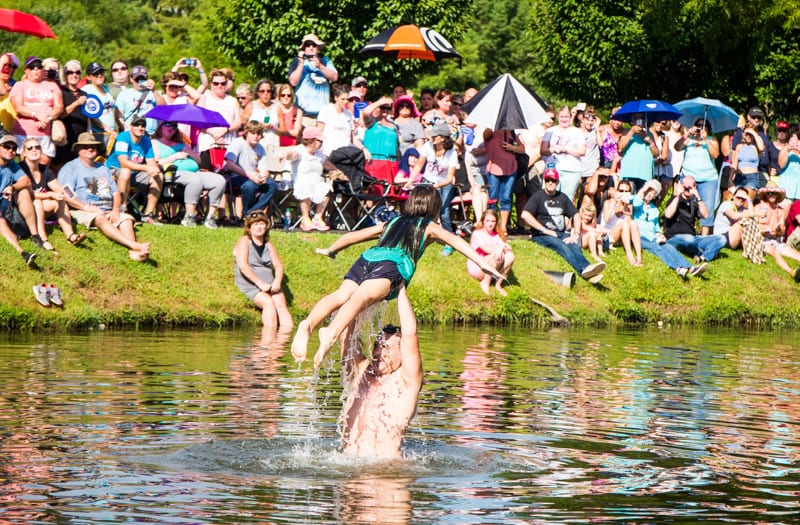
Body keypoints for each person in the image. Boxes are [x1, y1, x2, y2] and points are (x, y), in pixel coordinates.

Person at [291, 185, 504, 366]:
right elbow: (457, 242)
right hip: (391, 264)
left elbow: (354, 236)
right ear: (434, 207)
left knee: (341, 295)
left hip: (366, 258)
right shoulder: (429, 226)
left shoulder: (392, 222)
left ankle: (308, 324)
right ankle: (330, 334)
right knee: (360, 298)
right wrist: (483, 264)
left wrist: (331, 249)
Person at [339, 285, 422, 459]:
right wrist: (359, 294)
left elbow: (410, 334)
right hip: (348, 469)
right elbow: (347, 335)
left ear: (402, 353)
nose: (378, 352)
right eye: (377, 345)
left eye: (385, 347)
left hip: (387, 474)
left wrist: (400, 290)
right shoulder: (362, 371)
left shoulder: (406, 382)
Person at [57, 132, 150, 261]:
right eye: (85, 147)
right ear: (78, 149)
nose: (90, 149)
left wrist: (116, 209)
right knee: (100, 218)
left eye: (93, 147)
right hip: (84, 210)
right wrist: (86, 207)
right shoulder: (70, 168)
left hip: (108, 208)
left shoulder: (102, 167)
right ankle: (134, 245)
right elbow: (66, 193)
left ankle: (134, 253)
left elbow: (115, 192)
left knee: (126, 219)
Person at [519, 167, 606, 282]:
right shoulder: (538, 196)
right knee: (561, 246)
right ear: (545, 181)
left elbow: (576, 215)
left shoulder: (562, 197)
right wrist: (544, 230)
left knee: (573, 244)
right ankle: (582, 270)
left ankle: (588, 268)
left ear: (557, 182)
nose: (550, 183)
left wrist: (576, 233)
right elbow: (525, 214)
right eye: (548, 180)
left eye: (553, 180)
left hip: (560, 233)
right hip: (542, 235)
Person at [151, 121, 226, 228]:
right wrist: (175, 156)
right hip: (172, 173)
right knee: (194, 179)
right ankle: (189, 216)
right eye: (168, 124)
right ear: (160, 127)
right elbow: (156, 162)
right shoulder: (155, 142)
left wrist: (189, 151)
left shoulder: (180, 144)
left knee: (219, 180)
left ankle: (210, 217)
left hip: (194, 172)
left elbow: (199, 161)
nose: (171, 128)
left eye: (174, 126)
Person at [19, 138, 86, 251]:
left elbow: (59, 188)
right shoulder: (20, 169)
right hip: (23, 208)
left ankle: (71, 236)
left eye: (37, 147)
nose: (34, 150)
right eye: (30, 148)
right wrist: (49, 195)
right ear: (24, 153)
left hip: (42, 206)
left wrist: (68, 196)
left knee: (61, 200)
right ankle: (42, 239)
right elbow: (26, 194)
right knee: (37, 202)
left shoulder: (45, 169)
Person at [631, 179, 707, 278]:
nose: (649, 194)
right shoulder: (636, 201)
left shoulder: (654, 209)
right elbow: (636, 203)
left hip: (653, 237)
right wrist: (644, 189)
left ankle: (691, 268)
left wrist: (659, 234)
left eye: (652, 192)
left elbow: (656, 226)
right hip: (640, 237)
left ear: (655, 195)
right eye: (648, 191)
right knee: (657, 249)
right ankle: (677, 268)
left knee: (668, 247)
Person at [233, 210, 293, 331]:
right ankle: (268, 341)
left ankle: (285, 341)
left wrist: (277, 282)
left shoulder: (268, 244)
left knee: (281, 304)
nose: (259, 227)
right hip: (251, 285)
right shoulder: (244, 241)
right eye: (255, 224)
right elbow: (243, 265)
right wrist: (259, 283)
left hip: (270, 285)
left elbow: (279, 266)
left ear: (266, 225)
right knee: (268, 302)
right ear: (249, 228)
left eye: (261, 224)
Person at [405, 123, 458, 253]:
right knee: (421, 209)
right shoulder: (427, 146)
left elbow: (450, 178)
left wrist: (439, 186)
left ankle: (449, 242)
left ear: (443, 138)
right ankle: (419, 237)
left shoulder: (452, 153)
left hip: (444, 184)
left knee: (444, 212)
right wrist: (409, 181)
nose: (432, 137)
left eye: (435, 135)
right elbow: (419, 165)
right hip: (428, 181)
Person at [105, 115, 164, 223]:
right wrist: (146, 167)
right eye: (137, 125)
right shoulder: (123, 137)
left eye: (143, 125)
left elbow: (151, 161)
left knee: (158, 176)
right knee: (125, 171)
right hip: (114, 170)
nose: (140, 128)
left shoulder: (146, 140)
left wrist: (155, 169)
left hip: (135, 171)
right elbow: (123, 163)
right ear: (131, 126)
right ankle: (122, 208)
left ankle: (148, 214)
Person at [9, 56, 64, 166]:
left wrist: (47, 118)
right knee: (27, 167)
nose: (36, 69)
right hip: (25, 133)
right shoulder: (20, 85)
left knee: (44, 166)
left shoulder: (52, 85)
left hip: (46, 132)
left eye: (39, 67)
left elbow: (59, 107)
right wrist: (37, 115)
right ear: (26, 70)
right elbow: (18, 107)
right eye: (32, 67)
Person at [663, 175, 727, 264]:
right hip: (675, 238)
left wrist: (698, 197)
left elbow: (705, 215)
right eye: (685, 187)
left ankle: (703, 257)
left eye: (690, 187)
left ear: (695, 187)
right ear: (681, 186)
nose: (687, 189)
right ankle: (700, 251)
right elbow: (668, 214)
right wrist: (677, 195)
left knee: (721, 239)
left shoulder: (694, 204)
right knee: (688, 240)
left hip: (693, 238)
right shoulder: (674, 199)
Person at [281, 127, 334, 231]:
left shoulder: (319, 154)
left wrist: (340, 171)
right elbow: (292, 155)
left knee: (326, 188)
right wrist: (285, 155)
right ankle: (305, 219)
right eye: (319, 140)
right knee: (306, 186)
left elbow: (328, 165)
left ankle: (318, 217)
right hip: (298, 180)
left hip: (315, 181)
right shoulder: (299, 150)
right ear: (311, 140)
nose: (321, 142)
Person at [674, 119, 720, 234]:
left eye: (703, 126)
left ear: (708, 129)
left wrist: (705, 139)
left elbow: (715, 154)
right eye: (697, 125)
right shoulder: (689, 139)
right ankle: (683, 230)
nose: (700, 128)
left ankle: (704, 237)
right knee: (684, 205)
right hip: (688, 177)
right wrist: (687, 136)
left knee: (707, 207)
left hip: (708, 179)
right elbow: (677, 147)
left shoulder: (711, 139)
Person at [224, 120, 277, 219]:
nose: (256, 136)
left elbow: (263, 168)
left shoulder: (260, 148)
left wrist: (263, 175)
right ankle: (250, 213)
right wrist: (250, 175)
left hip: (252, 177)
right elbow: (230, 165)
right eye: (253, 133)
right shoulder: (237, 143)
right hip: (234, 176)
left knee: (272, 184)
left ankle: (250, 214)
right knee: (250, 185)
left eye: (259, 134)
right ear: (246, 133)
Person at [0, 135, 38, 265]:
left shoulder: (12, 165)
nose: (10, 150)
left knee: (24, 192)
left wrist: (12, 187)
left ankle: (36, 236)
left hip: (7, 206)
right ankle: (22, 252)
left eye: (13, 148)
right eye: (6, 147)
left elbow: (26, 181)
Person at [754, 183, 800, 280]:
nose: (772, 195)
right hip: (762, 240)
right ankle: (792, 272)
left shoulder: (780, 211)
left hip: (776, 241)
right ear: (766, 194)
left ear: (778, 194)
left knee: (796, 254)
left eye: (774, 193)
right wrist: (767, 230)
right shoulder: (758, 208)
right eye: (769, 193)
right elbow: (754, 227)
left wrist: (779, 230)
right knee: (775, 252)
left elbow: (782, 232)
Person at [287, 33, 338, 122]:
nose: (311, 47)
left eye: (314, 45)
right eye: (308, 45)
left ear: (318, 47)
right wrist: (301, 63)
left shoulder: (325, 60)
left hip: (323, 116)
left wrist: (320, 67)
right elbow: (293, 82)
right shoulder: (297, 61)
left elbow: (335, 77)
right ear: (303, 48)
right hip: (303, 115)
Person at [198, 68, 242, 170]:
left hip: (228, 143)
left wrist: (226, 130)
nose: (219, 86)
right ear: (211, 84)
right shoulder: (204, 97)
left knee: (227, 178)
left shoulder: (232, 101)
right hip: (208, 142)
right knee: (207, 175)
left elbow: (238, 122)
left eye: (222, 83)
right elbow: (199, 120)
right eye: (216, 83)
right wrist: (215, 134)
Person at [483, 128, 523, 235]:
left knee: (506, 198)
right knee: (493, 199)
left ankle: (503, 226)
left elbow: (522, 149)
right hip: (494, 168)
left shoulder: (513, 133)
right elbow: (486, 138)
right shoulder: (491, 130)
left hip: (510, 168)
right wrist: (490, 131)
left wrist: (512, 147)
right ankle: (492, 226)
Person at [540, 105, 585, 201]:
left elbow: (582, 151)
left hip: (572, 170)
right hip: (552, 168)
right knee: (548, 197)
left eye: (566, 116)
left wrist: (566, 150)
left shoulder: (578, 132)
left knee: (567, 199)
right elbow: (543, 151)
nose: (564, 119)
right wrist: (553, 149)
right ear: (558, 117)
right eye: (562, 116)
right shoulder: (550, 131)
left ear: (570, 117)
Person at [466, 209, 514, 295]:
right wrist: (500, 248)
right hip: (478, 267)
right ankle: (485, 282)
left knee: (510, 256)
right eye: (487, 221)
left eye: (493, 221)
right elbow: (486, 249)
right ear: (483, 221)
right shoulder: (477, 234)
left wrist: (502, 247)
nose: (490, 223)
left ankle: (498, 284)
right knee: (497, 254)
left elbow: (508, 248)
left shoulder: (497, 235)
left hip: (492, 266)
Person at [54, 60, 88, 170]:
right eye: (70, 72)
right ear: (65, 74)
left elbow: (91, 117)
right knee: (62, 169)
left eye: (77, 72)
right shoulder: (60, 92)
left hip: (80, 141)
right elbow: (61, 114)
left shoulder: (84, 94)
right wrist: (76, 103)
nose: (74, 75)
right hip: (64, 141)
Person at [600, 178, 642, 266]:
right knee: (624, 224)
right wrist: (615, 203)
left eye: (626, 191)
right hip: (608, 235)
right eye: (621, 190)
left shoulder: (629, 205)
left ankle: (639, 256)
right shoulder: (608, 202)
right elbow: (606, 219)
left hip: (622, 236)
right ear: (617, 191)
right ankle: (629, 254)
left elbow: (629, 222)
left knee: (633, 223)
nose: (623, 193)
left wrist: (626, 205)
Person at [81, 62, 124, 143]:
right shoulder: (87, 90)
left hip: (112, 133)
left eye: (101, 72)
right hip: (98, 134)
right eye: (95, 74)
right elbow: (90, 115)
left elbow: (114, 110)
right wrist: (105, 127)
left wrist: (123, 127)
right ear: (88, 77)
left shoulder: (107, 88)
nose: (99, 75)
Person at [731, 107, 773, 187]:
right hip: (743, 172)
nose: (756, 119)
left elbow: (765, 151)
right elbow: (734, 157)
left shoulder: (762, 132)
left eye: (759, 117)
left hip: (763, 172)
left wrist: (769, 172)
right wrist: (733, 175)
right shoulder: (740, 132)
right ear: (748, 117)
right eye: (754, 117)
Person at [618, 112, 659, 193]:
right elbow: (620, 148)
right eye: (636, 118)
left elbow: (656, 154)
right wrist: (631, 132)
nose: (639, 120)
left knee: (642, 200)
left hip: (645, 173)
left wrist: (650, 142)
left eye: (641, 118)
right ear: (632, 121)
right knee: (627, 198)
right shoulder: (626, 131)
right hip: (629, 172)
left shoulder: (649, 134)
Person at [115, 65, 159, 135]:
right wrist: (125, 129)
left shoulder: (153, 93)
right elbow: (118, 116)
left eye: (142, 79)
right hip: (130, 134)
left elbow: (164, 107)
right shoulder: (124, 94)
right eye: (137, 79)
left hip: (150, 134)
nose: (140, 82)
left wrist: (154, 90)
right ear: (131, 79)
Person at [730, 124, 765, 201]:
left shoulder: (756, 147)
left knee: (746, 201)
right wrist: (730, 180)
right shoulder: (739, 146)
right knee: (734, 201)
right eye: (746, 134)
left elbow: (762, 148)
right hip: (739, 176)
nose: (748, 136)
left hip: (751, 177)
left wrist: (753, 132)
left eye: (750, 135)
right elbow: (734, 165)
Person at [241, 79, 279, 150]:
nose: (265, 93)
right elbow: (243, 125)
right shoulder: (251, 106)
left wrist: (273, 127)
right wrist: (258, 125)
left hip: (274, 144)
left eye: (268, 91)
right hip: (255, 145)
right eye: (262, 91)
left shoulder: (277, 107)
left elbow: (284, 129)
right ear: (258, 92)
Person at [777, 131, 800, 203]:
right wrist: (787, 151)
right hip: (786, 186)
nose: (795, 142)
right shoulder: (785, 149)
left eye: (796, 139)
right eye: (792, 139)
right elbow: (781, 165)